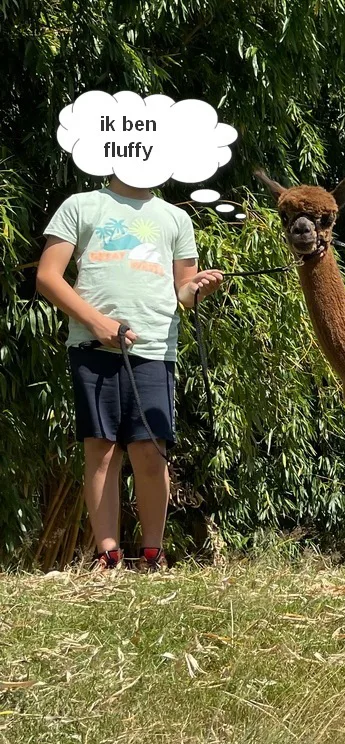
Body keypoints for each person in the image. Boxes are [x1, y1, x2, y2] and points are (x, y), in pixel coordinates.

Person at [36, 177, 223, 573]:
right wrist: (97, 322)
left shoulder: (175, 218)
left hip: (155, 350)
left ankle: (153, 555)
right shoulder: (81, 204)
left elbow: (184, 293)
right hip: (93, 347)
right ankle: (108, 556)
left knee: (151, 453)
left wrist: (199, 289)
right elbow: (47, 277)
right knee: (101, 450)